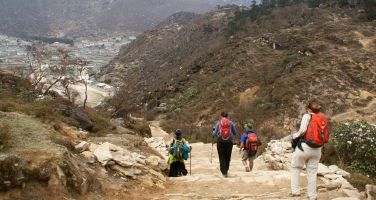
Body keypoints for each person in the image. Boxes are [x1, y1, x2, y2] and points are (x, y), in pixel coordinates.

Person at [290, 101, 329, 200]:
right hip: (317, 149)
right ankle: (312, 196)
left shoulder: (307, 116)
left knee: (296, 168)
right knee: (312, 173)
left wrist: (295, 136)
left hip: (304, 147)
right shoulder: (322, 118)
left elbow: (303, 130)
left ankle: (295, 193)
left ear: (309, 109)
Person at [212, 111, 237, 178]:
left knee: (221, 156)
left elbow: (214, 134)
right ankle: (226, 170)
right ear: (227, 116)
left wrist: (213, 131)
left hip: (220, 142)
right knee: (227, 157)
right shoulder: (231, 123)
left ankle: (224, 172)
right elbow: (235, 133)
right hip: (229, 142)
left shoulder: (218, 123)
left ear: (221, 116)